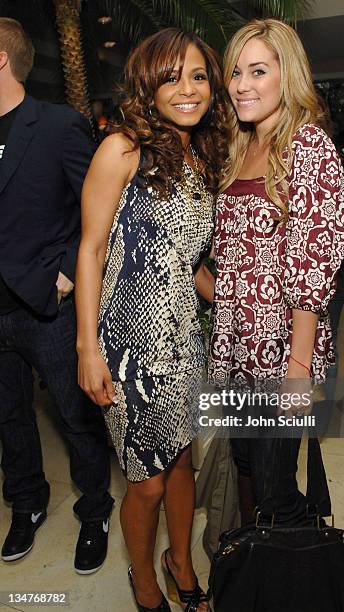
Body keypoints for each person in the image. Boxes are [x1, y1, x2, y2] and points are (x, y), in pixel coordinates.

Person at [75, 28, 227, 612]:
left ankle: (180, 561)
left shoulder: (200, 152)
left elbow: (183, 258)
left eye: (197, 76)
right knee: (148, 481)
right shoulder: (122, 148)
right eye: (172, 76)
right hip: (129, 343)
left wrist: (234, 300)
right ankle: (144, 581)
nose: (187, 90)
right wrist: (87, 349)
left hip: (186, 338)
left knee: (183, 459)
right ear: (147, 83)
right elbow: (90, 250)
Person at [209, 19, 344, 525]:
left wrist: (297, 371)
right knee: (248, 467)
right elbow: (228, 257)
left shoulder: (308, 147)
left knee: (275, 489)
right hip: (236, 346)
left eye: (258, 71)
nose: (242, 84)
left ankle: (295, 574)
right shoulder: (236, 147)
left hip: (282, 350)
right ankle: (255, 568)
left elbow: (314, 266)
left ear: (285, 75)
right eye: (235, 72)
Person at [0, 18, 114, 573]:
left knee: (74, 415)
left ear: (2, 59)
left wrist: (66, 273)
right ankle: (28, 501)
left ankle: (95, 509)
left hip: (46, 306)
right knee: (9, 417)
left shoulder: (57, 124)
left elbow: (100, 209)